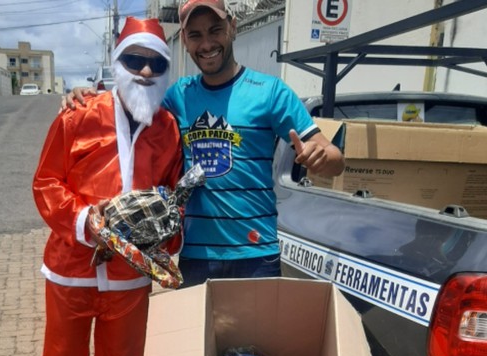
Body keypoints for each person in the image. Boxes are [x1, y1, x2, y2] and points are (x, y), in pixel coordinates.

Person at [62, 0, 345, 288]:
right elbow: (128, 105)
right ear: (184, 41)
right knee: (197, 335)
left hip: (256, 253)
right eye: (195, 35)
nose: (207, 43)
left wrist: (323, 156)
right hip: (197, 256)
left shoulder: (271, 92)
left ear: (232, 27)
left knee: (254, 336)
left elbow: (335, 159)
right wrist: (89, 98)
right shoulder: (177, 97)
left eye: (215, 30)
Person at [32, 17, 183, 356]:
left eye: (157, 63)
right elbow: (46, 182)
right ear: (117, 63)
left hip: (129, 278)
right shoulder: (77, 114)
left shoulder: (168, 128)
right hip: (71, 271)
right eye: (134, 60)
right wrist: (84, 221)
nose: (146, 70)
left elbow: (174, 197)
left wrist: (166, 233)